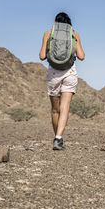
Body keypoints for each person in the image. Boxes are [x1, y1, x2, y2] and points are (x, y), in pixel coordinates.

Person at [39, 12, 85, 150]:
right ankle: (58, 139)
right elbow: (81, 56)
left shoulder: (48, 33)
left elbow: (42, 56)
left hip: (53, 73)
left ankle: (57, 138)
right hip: (69, 72)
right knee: (65, 108)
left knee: (55, 110)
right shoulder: (74, 34)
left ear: (55, 22)